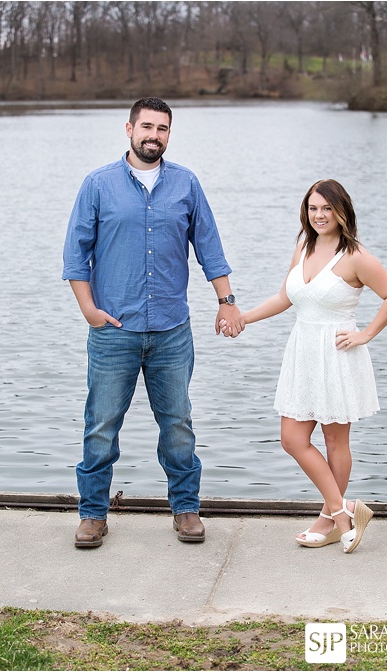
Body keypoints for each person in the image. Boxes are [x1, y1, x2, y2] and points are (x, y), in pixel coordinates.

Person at [62, 97, 244, 549]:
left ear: (169, 134)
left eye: (162, 129)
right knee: (101, 427)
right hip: (112, 332)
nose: (154, 135)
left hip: (171, 332)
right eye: (147, 126)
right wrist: (88, 309)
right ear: (128, 129)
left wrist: (227, 301)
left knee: (178, 425)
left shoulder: (186, 184)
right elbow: (75, 254)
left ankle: (186, 509)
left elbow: (210, 247)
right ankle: (92, 514)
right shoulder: (98, 184)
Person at [232, 179, 387, 553]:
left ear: (341, 211)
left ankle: (330, 520)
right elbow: (285, 297)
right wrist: (243, 318)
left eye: (326, 208)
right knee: (292, 439)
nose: (319, 215)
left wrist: (366, 335)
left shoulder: (355, 255)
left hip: (337, 354)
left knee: (333, 440)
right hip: (302, 352)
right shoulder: (303, 247)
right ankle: (346, 512)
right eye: (313, 208)